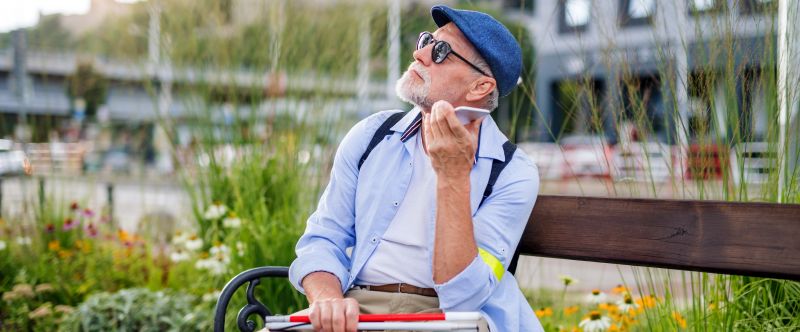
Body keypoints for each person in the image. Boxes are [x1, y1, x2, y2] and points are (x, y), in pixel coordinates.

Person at [289, 5, 542, 332]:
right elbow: (323, 238)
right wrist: (326, 298)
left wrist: (453, 176)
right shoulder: (372, 135)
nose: (419, 53)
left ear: (480, 87)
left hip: (450, 320)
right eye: (426, 40)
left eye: (440, 51)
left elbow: (464, 296)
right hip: (358, 310)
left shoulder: (513, 172)